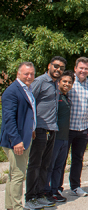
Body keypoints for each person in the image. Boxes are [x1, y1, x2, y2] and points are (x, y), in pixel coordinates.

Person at [26, 56, 66, 208]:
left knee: (45, 165)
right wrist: (31, 127)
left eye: (61, 68)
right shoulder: (40, 81)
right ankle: (30, 198)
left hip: (52, 129)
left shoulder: (56, 84)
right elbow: (29, 102)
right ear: (49, 65)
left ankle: (39, 194)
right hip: (40, 129)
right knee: (35, 164)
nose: (58, 69)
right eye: (56, 66)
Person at [0, 62, 37, 210]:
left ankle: (10, 206)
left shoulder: (27, 89)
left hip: (25, 137)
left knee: (13, 174)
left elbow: (27, 113)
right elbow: (9, 119)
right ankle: (16, 207)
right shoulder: (12, 91)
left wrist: (31, 129)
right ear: (18, 74)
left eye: (32, 74)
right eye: (26, 73)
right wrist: (16, 141)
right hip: (15, 140)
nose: (29, 76)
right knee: (18, 175)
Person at [62, 57, 88, 197]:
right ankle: (57, 187)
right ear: (75, 68)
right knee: (61, 159)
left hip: (82, 128)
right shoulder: (69, 82)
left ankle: (75, 186)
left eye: (86, 68)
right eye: (81, 68)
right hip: (67, 128)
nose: (83, 71)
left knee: (78, 159)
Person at [44, 70, 74, 202]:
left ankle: (55, 190)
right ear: (59, 82)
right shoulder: (55, 96)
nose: (67, 84)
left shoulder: (66, 97)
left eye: (69, 82)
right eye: (64, 81)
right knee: (49, 166)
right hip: (54, 138)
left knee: (59, 166)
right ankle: (46, 191)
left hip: (64, 138)